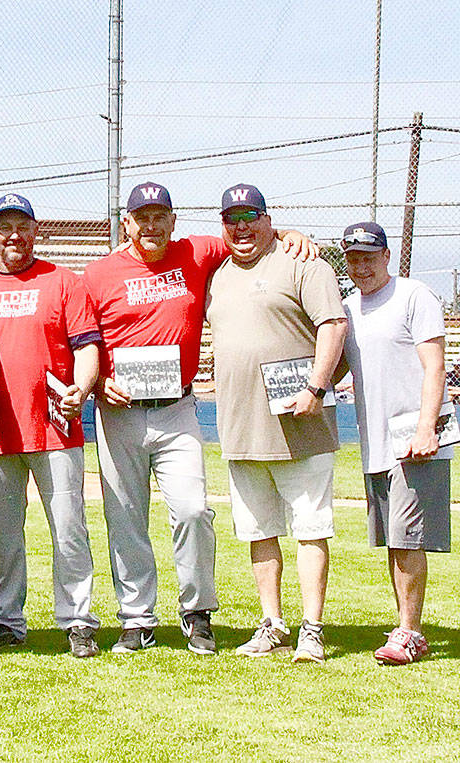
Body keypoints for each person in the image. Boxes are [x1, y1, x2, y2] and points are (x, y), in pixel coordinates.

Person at [82, 181, 315, 655]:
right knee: (125, 517)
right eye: (141, 217)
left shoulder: (197, 251)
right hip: (119, 411)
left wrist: (290, 233)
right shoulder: (98, 273)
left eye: (159, 216)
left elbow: (247, 234)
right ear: (126, 223)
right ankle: (136, 618)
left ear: (174, 220)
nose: (151, 225)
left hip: (176, 407)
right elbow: (81, 338)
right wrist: (100, 379)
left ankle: (196, 612)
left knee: (192, 510)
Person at [205, 183, 347, 663]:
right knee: (258, 531)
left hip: (300, 423)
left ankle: (312, 627)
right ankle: (272, 624)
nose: (242, 227)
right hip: (242, 428)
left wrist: (316, 388)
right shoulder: (218, 274)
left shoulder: (304, 263)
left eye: (251, 216)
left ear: (269, 219)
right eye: (232, 219)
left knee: (310, 528)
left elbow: (333, 324)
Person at [0, 193, 103, 658]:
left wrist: (81, 387)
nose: (14, 235)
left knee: (68, 529)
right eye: (5, 227)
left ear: (35, 230)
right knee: (4, 534)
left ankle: (78, 619)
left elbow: (86, 347)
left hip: (56, 428)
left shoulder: (64, 282)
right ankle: (5, 618)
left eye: (22, 225)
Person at [337, 221, 452, 665]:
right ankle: (405, 625)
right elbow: (342, 368)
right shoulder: (348, 308)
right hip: (377, 442)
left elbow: (435, 364)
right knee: (394, 539)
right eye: (353, 258)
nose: (361, 265)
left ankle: (410, 632)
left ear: (387, 256)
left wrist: (428, 428)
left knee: (407, 538)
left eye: (369, 256)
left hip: (415, 439)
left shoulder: (413, 295)